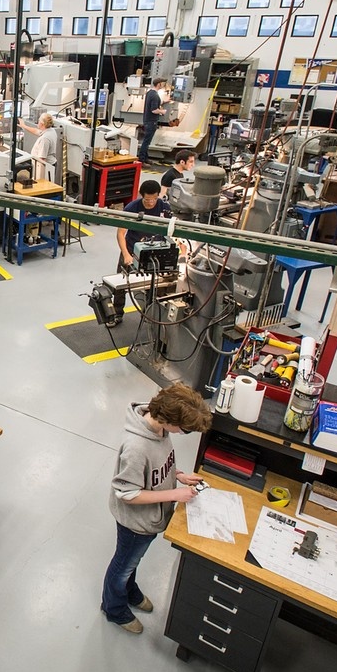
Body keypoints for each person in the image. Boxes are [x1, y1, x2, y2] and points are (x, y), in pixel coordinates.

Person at [101, 384, 211, 634]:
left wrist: (178, 475)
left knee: (131, 561)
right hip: (136, 522)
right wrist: (175, 494)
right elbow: (127, 492)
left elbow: (156, 467)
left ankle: (130, 591)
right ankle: (114, 608)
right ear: (169, 419)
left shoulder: (160, 429)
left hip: (151, 516)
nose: (183, 434)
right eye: (184, 430)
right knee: (123, 564)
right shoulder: (137, 447)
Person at [110, 179, 171, 323]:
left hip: (154, 252)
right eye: (147, 199)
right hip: (132, 249)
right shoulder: (132, 209)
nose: (151, 203)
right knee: (121, 282)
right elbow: (120, 233)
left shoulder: (164, 207)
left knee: (154, 284)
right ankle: (117, 313)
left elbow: (170, 230)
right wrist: (126, 254)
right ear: (141, 196)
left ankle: (149, 312)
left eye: (154, 199)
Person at [17, 112, 58, 183]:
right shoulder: (51, 130)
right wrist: (24, 126)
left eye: (39, 121)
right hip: (51, 164)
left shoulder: (45, 139)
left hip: (45, 168)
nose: (37, 122)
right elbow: (37, 131)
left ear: (42, 124)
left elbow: (42, 160)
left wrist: (38, 180)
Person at [138, 79, 169, 163]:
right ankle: (142, 160)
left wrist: (163, 101)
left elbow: (153, 103)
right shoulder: (155, 95)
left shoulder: (149, 93)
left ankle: (145, 158)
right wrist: (163, 111)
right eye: (163, 83)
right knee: (146, 142)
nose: (164, 85)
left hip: (147, 120)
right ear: (159, 84)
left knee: (147, 141)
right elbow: (154, 110)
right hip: (152, 122)